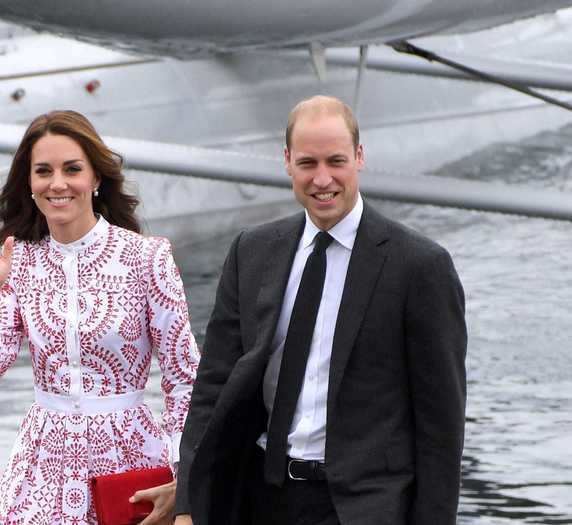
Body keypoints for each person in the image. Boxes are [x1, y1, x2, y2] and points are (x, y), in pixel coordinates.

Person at [174, 95, 467, 525]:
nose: (322, 179)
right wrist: (188, 504)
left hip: (364, 509)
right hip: (261, 500)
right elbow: (214, 387)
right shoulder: (251, 251)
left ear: (359, 157)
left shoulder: (420, 267)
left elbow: (441, 426)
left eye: (336, 161)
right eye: (308, 163)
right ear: (287, 161)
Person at [0, 110, 199, 525]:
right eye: (43, 171)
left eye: (72, 169)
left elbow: (184, 377)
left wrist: (183, 481)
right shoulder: (19, 261)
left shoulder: (147, 257)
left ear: (96, 178)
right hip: (41, 466)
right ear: (29, 184)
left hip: (129, 463)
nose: (57, 183)